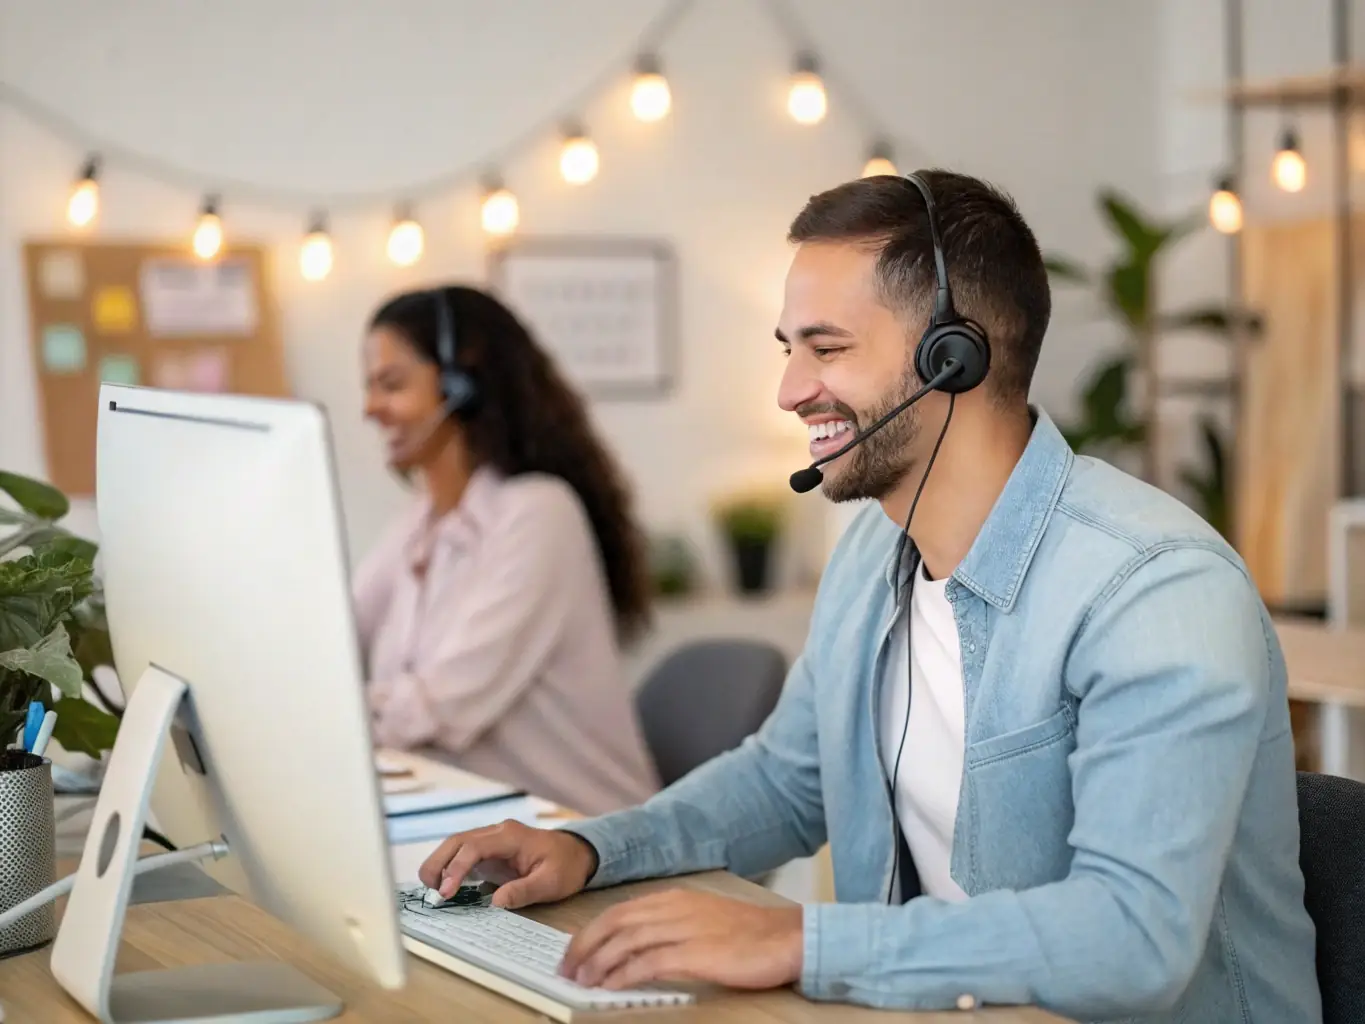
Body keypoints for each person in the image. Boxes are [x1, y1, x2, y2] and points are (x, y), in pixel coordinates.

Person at [415, 173, 1321, 1022]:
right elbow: (785, 779)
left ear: (952, 358)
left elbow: (1133, 936)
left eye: (828, 348)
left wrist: (800, 939)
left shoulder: (1152, 589)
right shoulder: (870, 556)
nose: (788, 390)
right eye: (788, 348)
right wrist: (595, 848)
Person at [353, 284, 660, 816]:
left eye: (392, 385)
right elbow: (339, 635)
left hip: (591, 845)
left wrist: (313, 710)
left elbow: (440, 709)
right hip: (478, 839)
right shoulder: (419, 523)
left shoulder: (538, 513)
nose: (371, 408)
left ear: (461, 384)